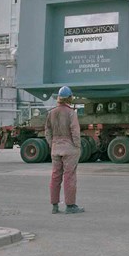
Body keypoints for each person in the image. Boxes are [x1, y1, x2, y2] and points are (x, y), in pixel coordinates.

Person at [45, 86, 84, 214]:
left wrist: (53, 144)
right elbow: (75, 132)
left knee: (55, 176)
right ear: (69, 98)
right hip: (69, 149)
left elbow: (47, 132)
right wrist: (77, 147)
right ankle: (70, 206)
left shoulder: (51, 113)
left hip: (56, 148)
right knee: (69, 177)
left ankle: (54, 206)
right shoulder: (71, 113)